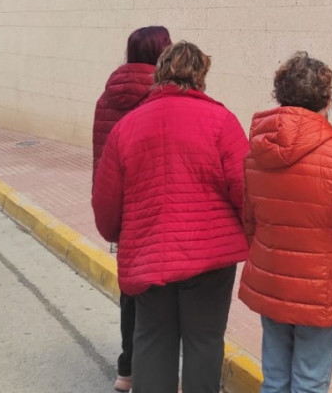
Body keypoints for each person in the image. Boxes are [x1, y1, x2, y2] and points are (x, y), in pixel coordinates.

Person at [92, 41, 250, 393]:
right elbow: (246, 192)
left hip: (149, 255)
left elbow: (105, 206)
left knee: (151, 338)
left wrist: (122, 232)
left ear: (159, 74)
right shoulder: (222, 122)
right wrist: (244, 232)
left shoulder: (127, 127)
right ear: (201, 77)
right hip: (210, 259)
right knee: (204, 341)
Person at [238, 52, 332, 393]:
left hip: (272, 279)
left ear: (281, 95)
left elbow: (250, 221)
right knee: (310, 382)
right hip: (323, 287)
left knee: (274, 378)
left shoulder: (255, 155)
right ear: (326, 99)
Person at [92, 25, 172, 392]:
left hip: (123, 211)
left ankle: (127, 369)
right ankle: (159, 374)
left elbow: (100, 161)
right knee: (163, 294)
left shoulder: (106, 99)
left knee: (132, 290)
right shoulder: (162, 98)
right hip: (156, 207)